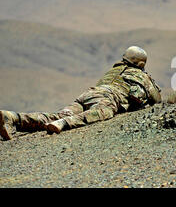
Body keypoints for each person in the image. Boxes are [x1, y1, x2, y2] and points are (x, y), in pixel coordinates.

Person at [0, 46, 161, 141]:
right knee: (101, 113)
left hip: (89, 94)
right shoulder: (140, 75)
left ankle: (13, 117)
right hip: (109, 97)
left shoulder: (114, 70)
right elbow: (156, 98)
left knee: (56, 114)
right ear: (141, 63)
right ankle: (64, 123)